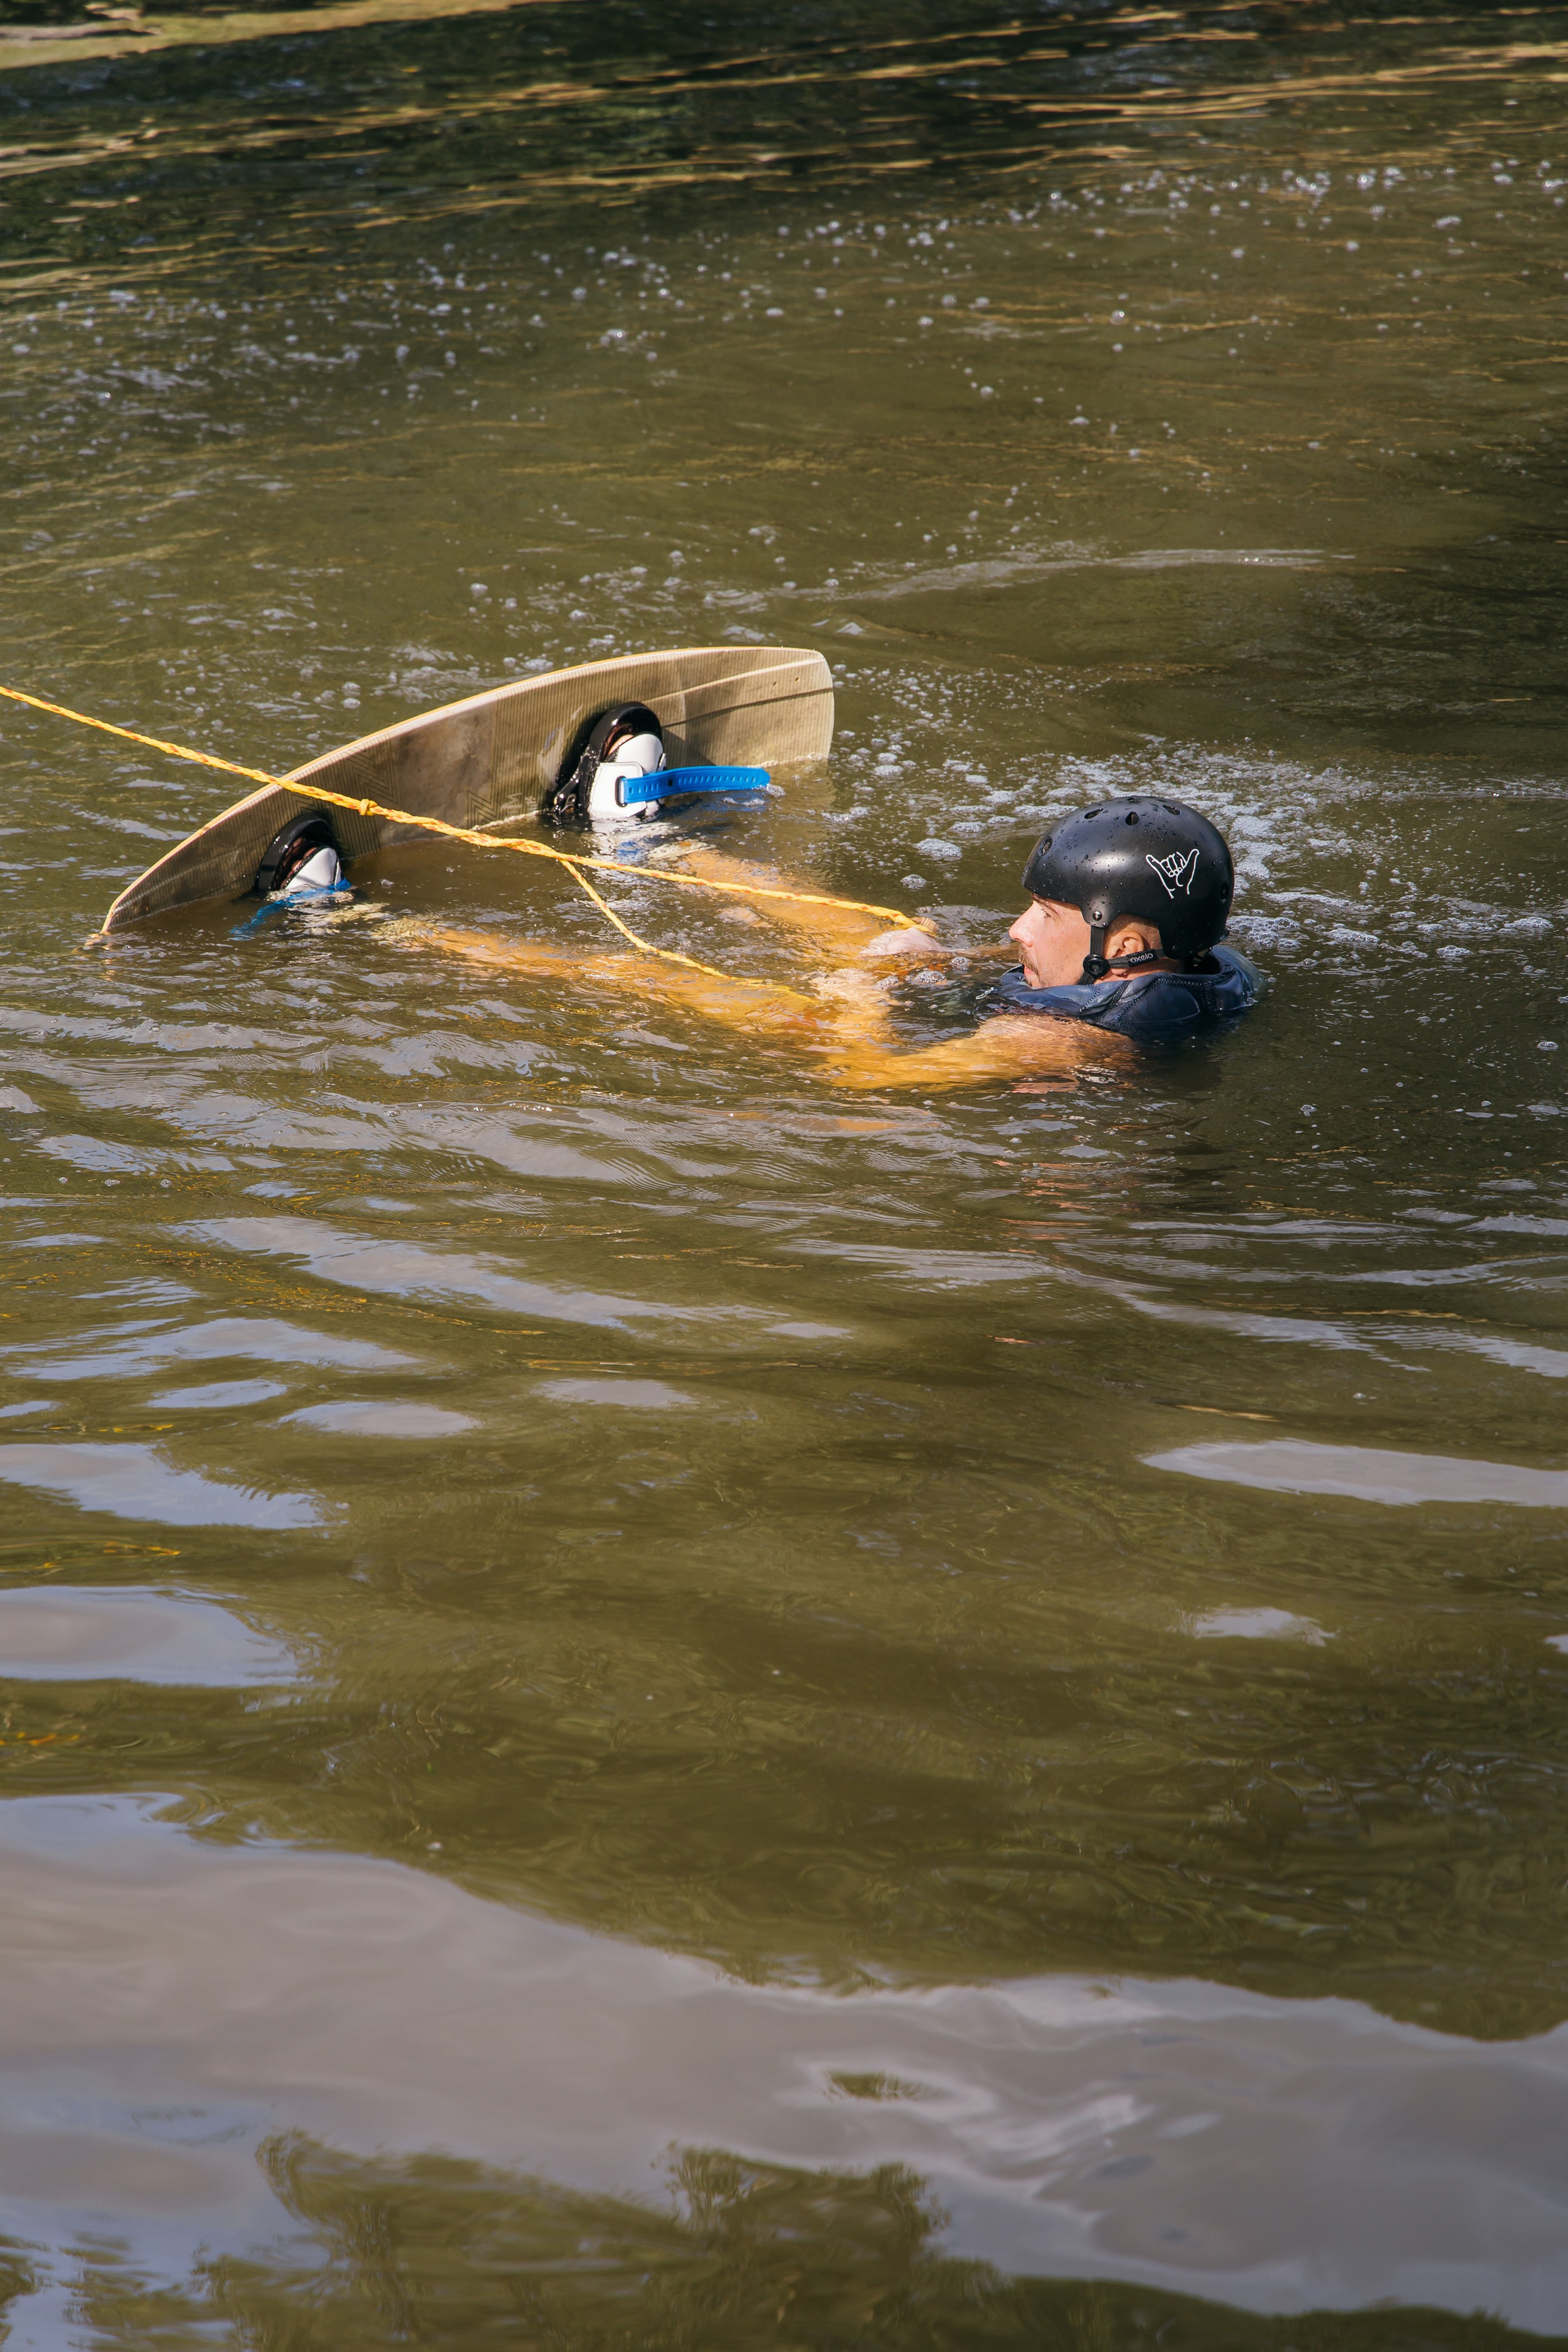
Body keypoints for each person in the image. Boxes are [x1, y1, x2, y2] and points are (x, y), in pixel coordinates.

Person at [390, 791, 1259, 1093]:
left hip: (938, 1049)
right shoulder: (1176, 964)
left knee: (739, 1000)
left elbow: (867, 1077)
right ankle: (654, 840)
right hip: (1020, 1001)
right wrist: (918, 959)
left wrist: (857, 1000)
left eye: (1045, 915)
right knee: (891, 931)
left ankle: (392, 932)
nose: (1016, 928)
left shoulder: (1062, 1039)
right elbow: (1061, 967)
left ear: (1132, 941)